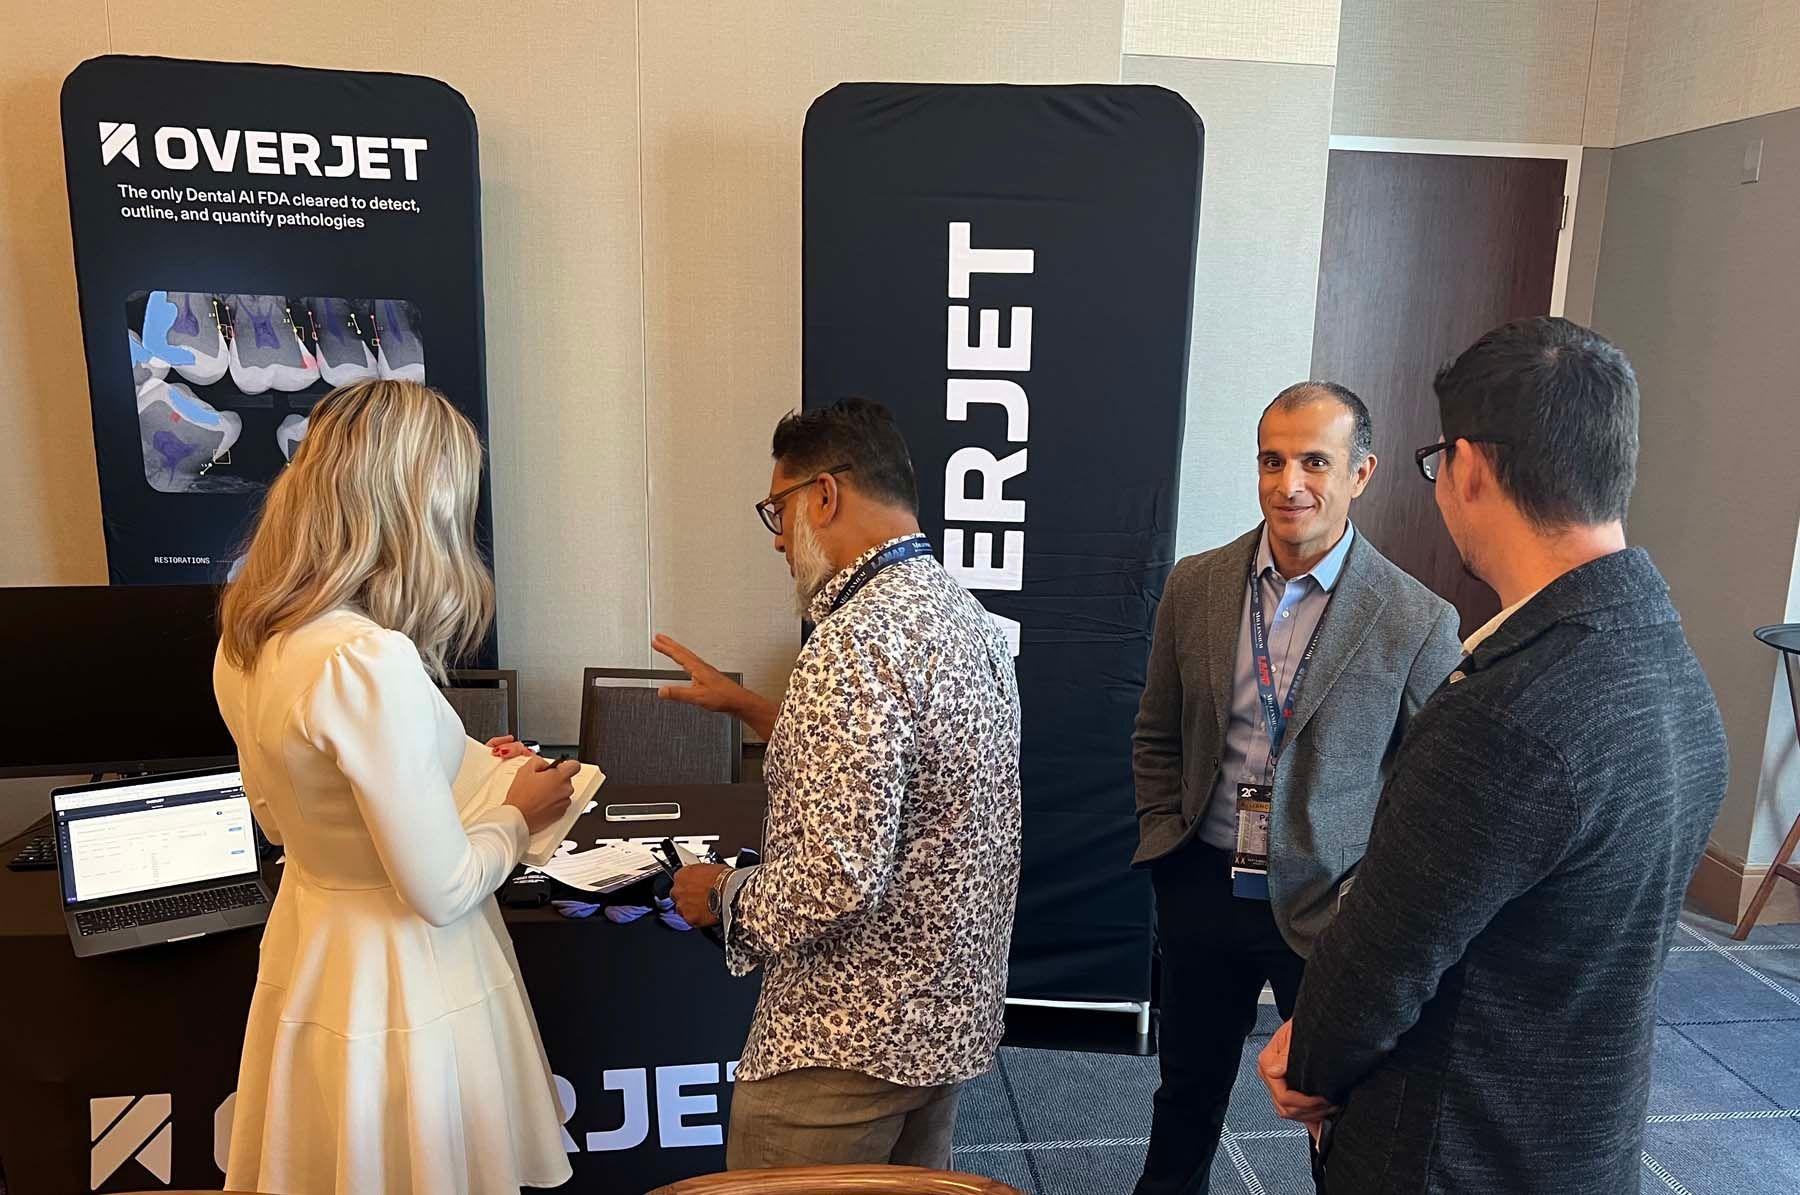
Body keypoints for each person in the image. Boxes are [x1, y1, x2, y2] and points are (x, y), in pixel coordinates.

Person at [1258, 318, 1730, 1193]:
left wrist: (1311, 1060)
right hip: (1579, 1135)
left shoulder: (1508, 714)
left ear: (1467, 465)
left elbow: (1381, 962)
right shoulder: (1671, 665)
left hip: (1453, 1147)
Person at [213, 379, 580, 1195]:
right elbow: (442, 888)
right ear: (419, 504)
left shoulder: (250, 639)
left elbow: (282, 822)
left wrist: (465, 763)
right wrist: (517, 816)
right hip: (407, 979)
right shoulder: (362, 658)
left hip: (313, 951)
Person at [654, 397, 1022, 1170]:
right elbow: (915, 781)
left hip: (841, 1044)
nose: (779, 540)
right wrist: (755, 707)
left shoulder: (852, 643)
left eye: (776, 511)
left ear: (824, 495)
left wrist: (720, 893)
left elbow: (836, 878)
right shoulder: (966, 618)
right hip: (941, 1023)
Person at [1132, 381, 1462, 1194]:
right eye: (1272, 460)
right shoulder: (1197, 585)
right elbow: (1156, 731)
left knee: (1340, 1112)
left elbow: (1430, 791)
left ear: (1361, 473)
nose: (1290, 484)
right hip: (1202, 881)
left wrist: (1372, 899)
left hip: (1327, 906)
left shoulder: (1417, 620)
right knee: (1186, 1092)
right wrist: (1163, 838)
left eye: (1315, 460)